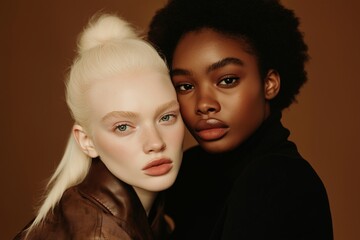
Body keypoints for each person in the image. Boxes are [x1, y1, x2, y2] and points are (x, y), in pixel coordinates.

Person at [148, 0, 333, 239]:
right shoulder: (186, 173)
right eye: (185, 86)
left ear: (269, 84)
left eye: (227, 80)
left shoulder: (278, 178)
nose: (204, 104)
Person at [14, 13, 184, 240]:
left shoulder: (150, 216)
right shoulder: (99, 233)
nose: (155, 143)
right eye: (123, 127)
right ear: (86, 141)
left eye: (166, 117)